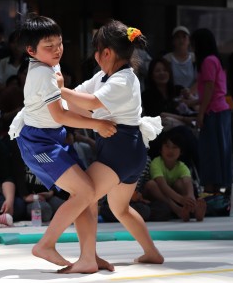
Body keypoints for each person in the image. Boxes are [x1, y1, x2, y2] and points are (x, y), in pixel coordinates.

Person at [11, 14, 117, 273]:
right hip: (39, 145)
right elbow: (60, 114)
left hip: (53, 138)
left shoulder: (50, 66)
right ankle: (46, 244)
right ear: (31, 51)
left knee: (89, 196)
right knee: (84, 192)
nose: (57, 50)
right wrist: (97, 124)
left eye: (59, 43)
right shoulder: (41, 74)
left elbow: (61, 105)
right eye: (49, 46)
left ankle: (88, 257)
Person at [60, 19, 164, 271]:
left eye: (96, 51)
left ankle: (88, 258)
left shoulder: (124, 80)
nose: (95, 57)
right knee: (121, 209)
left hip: (121, 151)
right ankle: (152, 253)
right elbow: (78, 100)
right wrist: (54, 100)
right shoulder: (104, 77)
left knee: (84, 196)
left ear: (106, 53)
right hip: (127, 151)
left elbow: (92, 102)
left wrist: (59, 90)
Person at [189, 28, 233, 194]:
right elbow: (215, 90)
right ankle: (217, 189)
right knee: (221, 152)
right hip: (221, 110)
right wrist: (194, 101)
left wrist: (200, 113)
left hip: (213, 112)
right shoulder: (216, 60)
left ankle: (210, 189)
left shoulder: (207, 61)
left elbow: (209, 88)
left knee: (210, 152)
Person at [142, 130, 206, 222]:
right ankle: (178, 210)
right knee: (151, 184)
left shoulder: (182, 166)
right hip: (158, 198)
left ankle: (193, 211)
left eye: (175, 147)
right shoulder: (156, 163)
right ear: (161, 149)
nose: (170, 150)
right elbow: (162, 186)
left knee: (180, 183)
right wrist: (181, 200)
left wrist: (191, 199)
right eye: (167, 146)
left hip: (174, 198)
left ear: (181, 152)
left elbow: (188, 183)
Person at [142, 57, 197, 130]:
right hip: (165, 132)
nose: (162, 73)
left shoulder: (178, 89)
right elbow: (159, 117)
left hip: (189, 127)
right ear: (151, 75)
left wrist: (189, 96)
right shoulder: (147, 95)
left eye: (165, 70)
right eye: (157, 71)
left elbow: (197, 109)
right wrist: (185, 119)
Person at [163, 25, 196, 93]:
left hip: (192, 98)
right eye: (177, 37)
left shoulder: (195, 58)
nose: (181, 40)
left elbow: (200, 80)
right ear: (173, 41)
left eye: (184, 37)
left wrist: (189, 92)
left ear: (189, 40)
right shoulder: (166, 59)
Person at [0, 30, 27, 94]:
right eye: (13, 42)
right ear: (9, 44)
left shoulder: (30, 63)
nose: (16, 45)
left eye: (19, 42)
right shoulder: (3, 62)